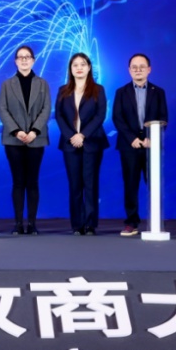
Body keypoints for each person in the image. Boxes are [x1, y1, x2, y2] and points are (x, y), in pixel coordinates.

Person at [111, 53, 168, 237]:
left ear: (149, 69)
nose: (138, 70)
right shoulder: (121, 92)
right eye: (134, 67)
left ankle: (156, 222)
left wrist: (153, 137)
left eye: (142, 67)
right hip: (129, 146)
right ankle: (131, 223)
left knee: (154, 185)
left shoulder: (158, 92)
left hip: (152, 146)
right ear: (129, 70)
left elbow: (163, 118)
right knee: (130, 185)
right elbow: (117, 118)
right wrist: (132, 139)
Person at [0, 45, 51, 235]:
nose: (24, 60)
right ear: (15, 61)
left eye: (27, 57)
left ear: (33, 60)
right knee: (18, 182)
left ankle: (32, 224)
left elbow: (46, 109)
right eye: (20, 57)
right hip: (13, 140)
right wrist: (17, 131)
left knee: (33, 182)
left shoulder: (43, 84)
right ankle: (19, 223)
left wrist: (35, 130)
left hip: (36, 139)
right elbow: (2, 109)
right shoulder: (7, 84)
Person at [55, 52, 110, 236]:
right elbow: (59, 116)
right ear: (70, 69)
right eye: (75, 65)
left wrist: (83, 135)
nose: (79, 68)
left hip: (92, 142)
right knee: (75, 185)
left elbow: (100, 115)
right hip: (70, 143)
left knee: (91, 183)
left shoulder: (98, 89)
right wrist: (72, 136)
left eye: (82, 64)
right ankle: (77, 225)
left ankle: (90, 224)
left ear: (89, 67)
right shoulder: (63, 90)